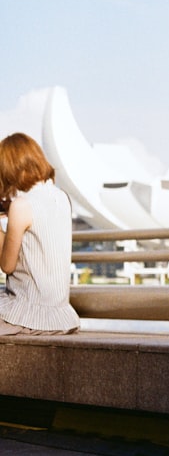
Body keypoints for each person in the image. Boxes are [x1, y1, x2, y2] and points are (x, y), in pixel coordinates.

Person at [0, 132, 80, 336]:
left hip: (28, 313)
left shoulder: (21, 206)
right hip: (60, 314)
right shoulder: (62, 198)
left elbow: (6, 265)